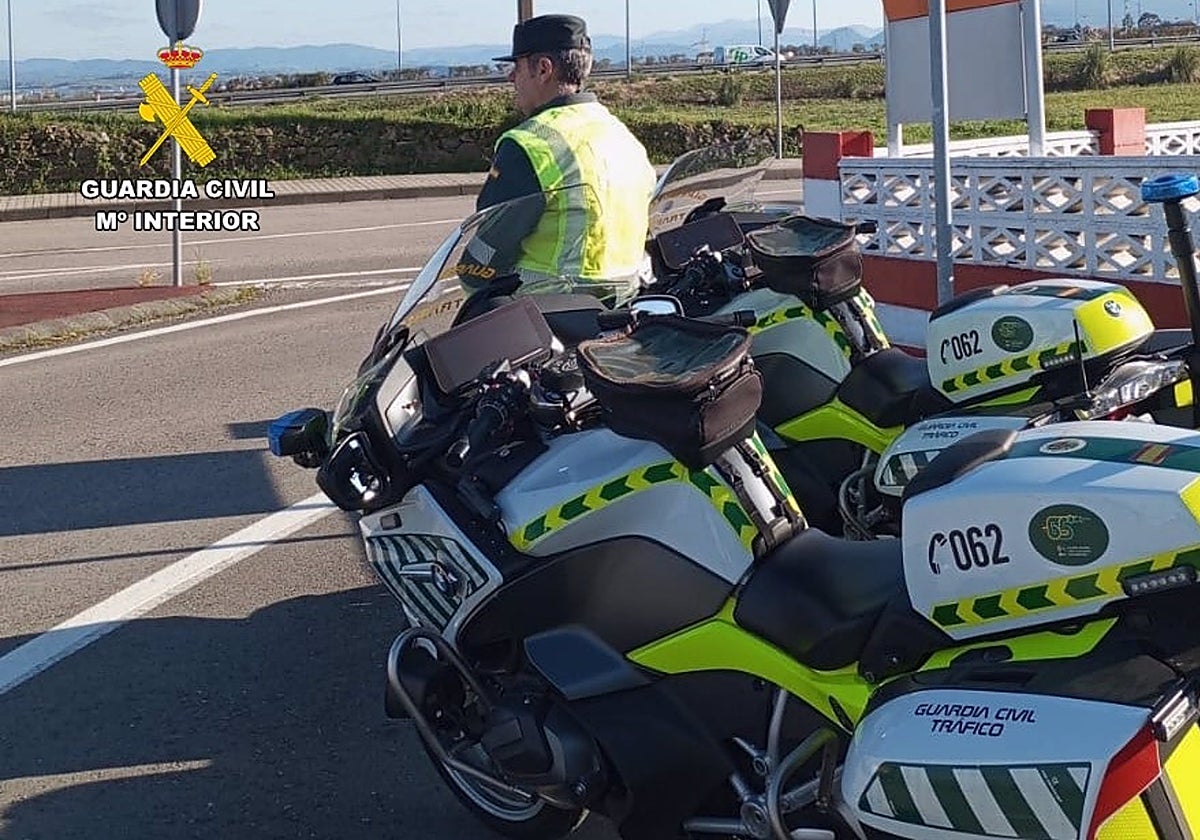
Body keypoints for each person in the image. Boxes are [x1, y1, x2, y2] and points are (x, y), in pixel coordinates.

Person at [457, 13, 658, 304]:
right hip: (622, 304)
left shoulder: (531, 143)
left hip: (546, 314)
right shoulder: (620, 133)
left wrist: (470, 277)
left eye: (516, 66)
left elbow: (489, 247)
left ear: (543, 68)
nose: (510, 76)